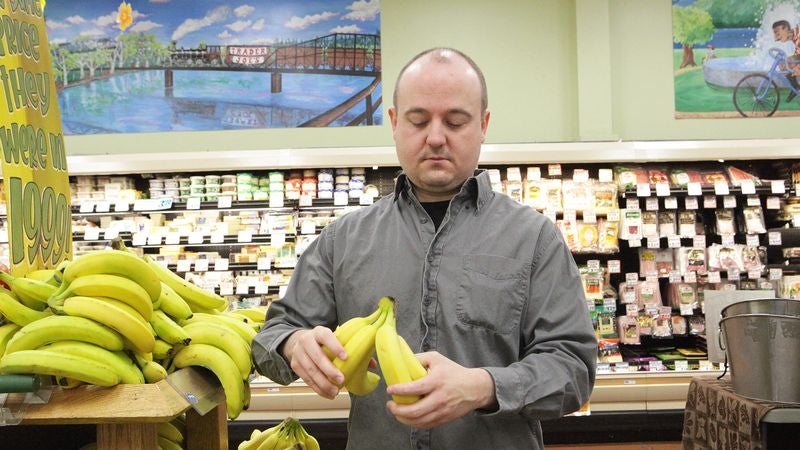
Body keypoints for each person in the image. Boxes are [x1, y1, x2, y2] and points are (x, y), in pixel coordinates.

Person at [252, 47, 597, 449]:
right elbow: (270, 339)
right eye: (418, 121)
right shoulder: (342, 240)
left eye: (455, 121)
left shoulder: (534, 238)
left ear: (483, 125)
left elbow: (573, 369)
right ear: (394, 123)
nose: (436, 137)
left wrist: (483, 386)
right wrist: (293, 344)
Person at [772, 20, 800, 101]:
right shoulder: (795, 35)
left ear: (785, 29)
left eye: (777, 33)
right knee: (784, 65)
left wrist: (797, 67)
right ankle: (795, 88)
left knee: (794, 69)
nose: (776, 38)